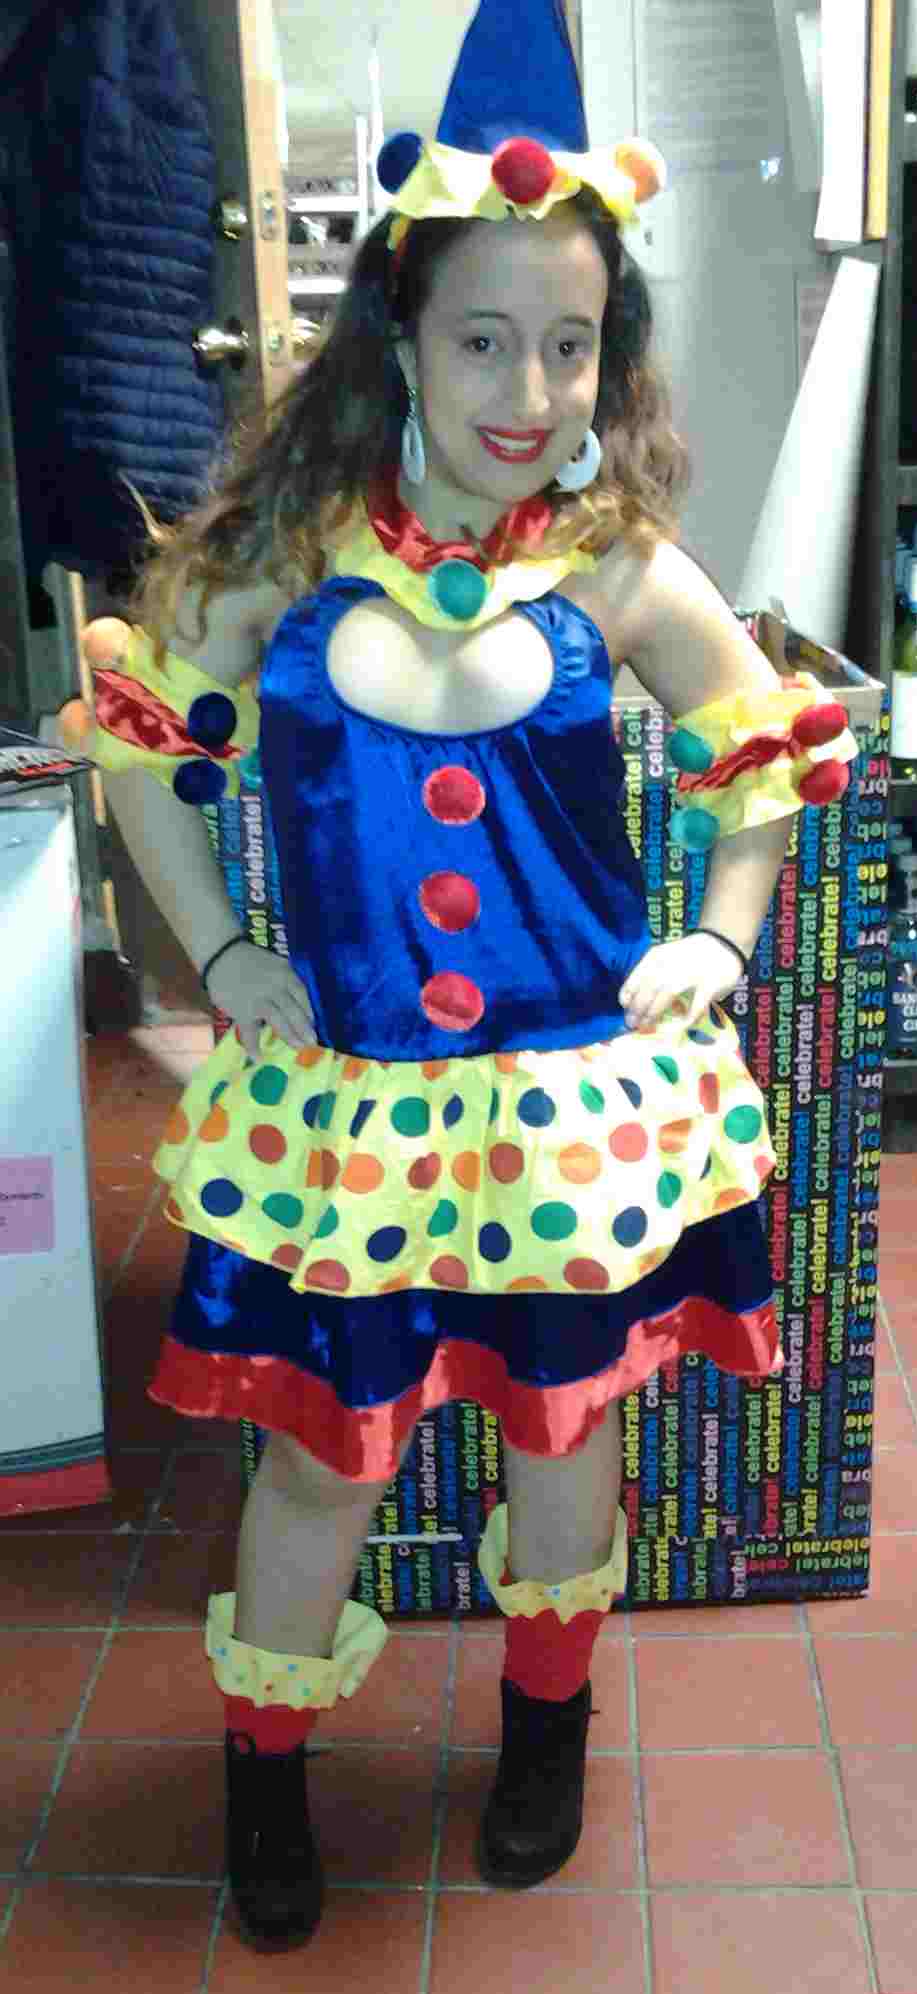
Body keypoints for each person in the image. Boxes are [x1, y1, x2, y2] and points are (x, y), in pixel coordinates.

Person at [76, 0, 857, 1953]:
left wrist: (721, 932)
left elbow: (763, 753)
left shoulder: (615, 565)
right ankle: (267, 1774)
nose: (528, 385)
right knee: (314, 1467)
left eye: (568, 342)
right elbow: (143, 741)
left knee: (560, 1438)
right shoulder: (286, 555)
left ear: (608, 353)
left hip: (564, 1110)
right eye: (486, 337)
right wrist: (224, 945)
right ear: (402, 338)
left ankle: (545, 1734)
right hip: (348, 1118)